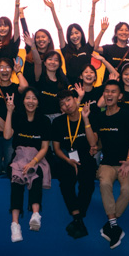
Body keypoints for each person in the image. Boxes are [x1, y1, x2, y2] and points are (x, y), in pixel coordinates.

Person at [86, 81, 129, 248]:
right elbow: (95, 141)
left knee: (127, 190)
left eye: (113, 92)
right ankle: (114, 225)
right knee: (104, 184)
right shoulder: (99, 117)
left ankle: (111, 225)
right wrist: (86, 119)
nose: (109, 95)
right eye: (106, 92)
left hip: (126, 163)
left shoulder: (127, 115)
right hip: (107, 163)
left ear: (120, 96)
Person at [2, 87, 51, 242]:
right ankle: (15, 225)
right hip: (18, 157)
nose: (31, 101)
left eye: (34, 98)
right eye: (28, 98)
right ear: (23, 101)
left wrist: (33, 162)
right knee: (16, 181)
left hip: (37, 158)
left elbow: (44, 148)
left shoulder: (44, 120)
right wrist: (9, 112)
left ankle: (35, 214)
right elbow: (7, 135)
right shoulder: (17, 116)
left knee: (35, 175)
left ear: (38, 102)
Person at [48, 90, 97, 237]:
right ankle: (77, 217)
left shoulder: (89, 115)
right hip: (67, 157)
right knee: (66, 182)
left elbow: (93, 143)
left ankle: (77, 218)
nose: (67, 105)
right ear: (61, 108)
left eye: (68, 100)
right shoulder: (58, 122)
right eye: (62, 104)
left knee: (87, 183)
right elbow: (56, 149)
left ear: (76, 99)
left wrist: (86, 120)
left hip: (86, 156)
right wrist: (68, 160)